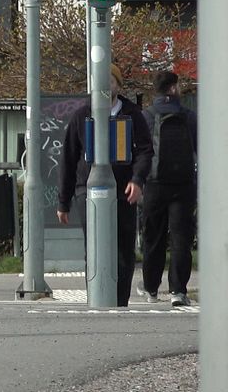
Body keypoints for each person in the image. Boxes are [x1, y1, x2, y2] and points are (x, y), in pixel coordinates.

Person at [57, 64, 153, 307]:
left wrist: (137, 180)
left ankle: (120, 300)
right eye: (100, 81)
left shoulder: (132, 113)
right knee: (95, 246)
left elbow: (144, 151)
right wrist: (63, 201)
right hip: (86, 190)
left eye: (110, 81)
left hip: (123, 191)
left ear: (118, 85)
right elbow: (68, 158)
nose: (105, 86)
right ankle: (96, 296)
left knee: (123, 247)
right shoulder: (82, 115)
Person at [140, 71, 197, 307]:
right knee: (181, 238)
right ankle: (178, 291)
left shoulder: (147, 115)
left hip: (154, 184)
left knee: (153, 236)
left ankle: (151, 288)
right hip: (183, 185)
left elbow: (142, 151)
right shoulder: (189, 116)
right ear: (173, 88)